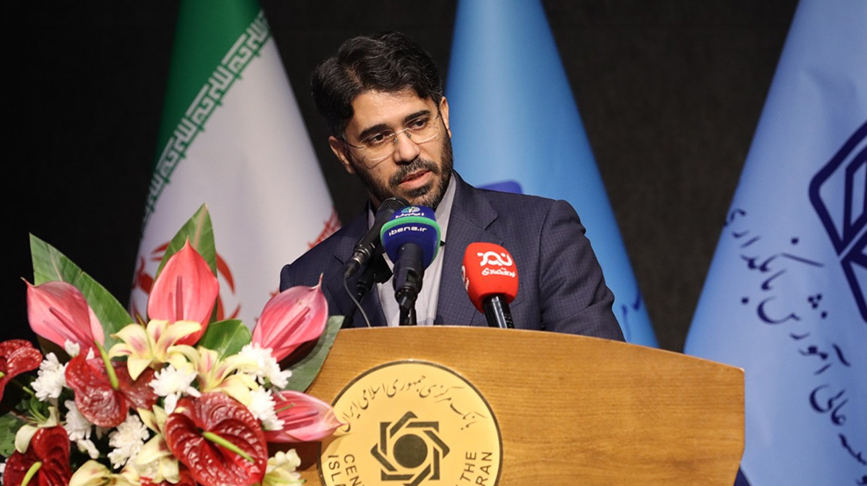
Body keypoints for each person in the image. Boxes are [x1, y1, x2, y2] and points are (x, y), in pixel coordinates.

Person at [280, 32, 623, 340]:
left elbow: (599, 377)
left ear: (444, 116)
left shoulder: (541, 235)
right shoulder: (309, 280)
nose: (407, 151)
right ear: (343, 154)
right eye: (379, 137)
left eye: (418, 123)